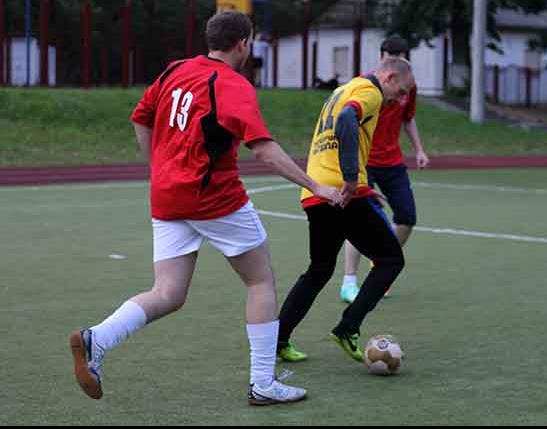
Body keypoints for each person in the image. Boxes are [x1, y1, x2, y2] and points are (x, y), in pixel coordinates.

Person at [69, 11, 342, 406]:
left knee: (168, 292)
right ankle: (263, 383)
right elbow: (264, 150)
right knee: (260, 281)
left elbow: (141, 118)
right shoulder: (232, 84)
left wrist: (159, 168)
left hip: (167, 198)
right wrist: (317, 186)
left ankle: (98, 338)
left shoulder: (174, 71)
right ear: (243, 43)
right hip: (214, 198)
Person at [276, 58, 415, 363]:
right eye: (402, 91)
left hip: (316, 193)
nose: (402, 99)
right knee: (391, 260)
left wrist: (360, 183)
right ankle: (347, 328)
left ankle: (278, 339)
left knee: (319, 269)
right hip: (342, 193)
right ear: (390, 77)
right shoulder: (371, 92)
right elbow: (347, 120)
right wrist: (352, 179)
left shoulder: (344, 89)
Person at [340, 36, 429, 304]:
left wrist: (419, 150)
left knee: (407, 216)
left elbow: (408, 118)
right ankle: (349, 282)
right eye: (393, 56)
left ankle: (379, 262)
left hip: (392, 162)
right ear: (382, 58)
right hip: (365, 161)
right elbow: (346, 120)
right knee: (358, 221)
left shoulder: (407, 86)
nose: (398, 61)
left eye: (402, 57)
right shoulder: (364, 86)